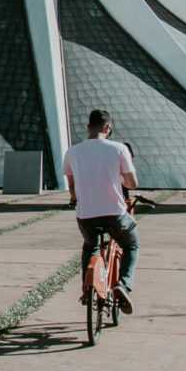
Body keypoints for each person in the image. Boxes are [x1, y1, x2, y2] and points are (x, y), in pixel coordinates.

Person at [64, 109, 140, 315]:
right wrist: (119, 179)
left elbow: (71, 185)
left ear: (88, 127)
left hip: (86, 215)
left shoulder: (72, 152)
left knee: (90, 246)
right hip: (115, 214)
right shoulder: (119, 149)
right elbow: (132, 183)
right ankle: (122, 285)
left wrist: (74, 199)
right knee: (131, 244)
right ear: (107, 128)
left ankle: (86, 289)